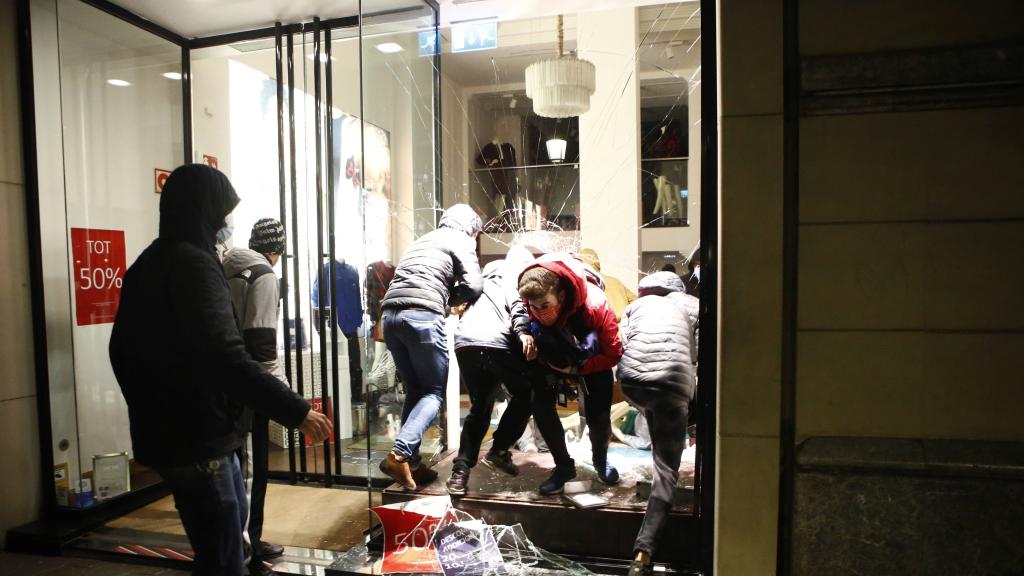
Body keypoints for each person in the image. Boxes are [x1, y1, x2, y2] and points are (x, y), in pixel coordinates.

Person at [109, 164, 332, 576]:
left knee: (219, 548)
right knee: (225, 556)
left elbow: (120, 351)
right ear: (203, 208)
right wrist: (296, 410)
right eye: (223, 212)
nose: (226, 223)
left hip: (170, 435)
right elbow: (226, 356)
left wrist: (150, 407)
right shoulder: (194, 264)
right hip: (201, 436)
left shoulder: (148, 263)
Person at [377, 204, 484, 490]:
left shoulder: (423, 240)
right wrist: (451, 302)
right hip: (422, 317)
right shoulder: (460, 239)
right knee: (433, 393)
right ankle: (399, 454)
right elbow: (474, 285)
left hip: (390, 317)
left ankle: (411, 465)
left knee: (416, 391)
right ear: (471, 230)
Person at [446, 247, 564, 496]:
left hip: (465, 344)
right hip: (496, 342)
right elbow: (516, 307)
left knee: (479, 407)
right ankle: (499, 449)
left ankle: (459, 473)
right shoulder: (512, 276)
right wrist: (523, 333)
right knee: (527, 393)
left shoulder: (481, 282)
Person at [515, 253, 624, 495]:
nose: (539, 312)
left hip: (593, 357)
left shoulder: (595, 305)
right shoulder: (530, 304)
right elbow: (524, 317)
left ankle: (600, 459)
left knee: (598, 415)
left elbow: (613, 353)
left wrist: (578, 369)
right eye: (533, 307)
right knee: (540, 405)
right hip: (554, 353)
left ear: (562, 296)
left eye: (545, 306)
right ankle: (564, 466)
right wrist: (533, 346)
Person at [617, 271, 696, 575]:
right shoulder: (693, 304)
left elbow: (623, 342)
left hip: (633, 384)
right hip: (671, 386)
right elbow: (699, 355)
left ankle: (658, 440)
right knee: (666, 469)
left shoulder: (636, 305)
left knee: (654, 409)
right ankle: (643, 553)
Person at [221, 218, 289, 574]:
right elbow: (262, 344)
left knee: (241, 468)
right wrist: (283, 394)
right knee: (251, 471)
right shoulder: (263, 275)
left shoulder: (226, 267)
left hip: (229, 380)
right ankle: (247, 554)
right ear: (276, 251)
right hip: (250, 385)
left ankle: (251, 541)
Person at [576, 248, 636, 322]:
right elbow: (636, 301)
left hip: (604, 330)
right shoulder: (615, 281)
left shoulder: (585, 283)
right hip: (623, 329)